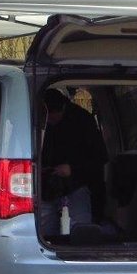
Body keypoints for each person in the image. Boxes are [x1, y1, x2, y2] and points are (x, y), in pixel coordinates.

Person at [39, 89, 108, 236]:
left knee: (80, 229)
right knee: (44, 229)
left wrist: (72, 169)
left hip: (78, 184)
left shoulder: (84, 121)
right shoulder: (41, 123)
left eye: (51, 118)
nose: (49, 122)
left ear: (61, 108)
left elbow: (100, 158)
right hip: (46, 185)